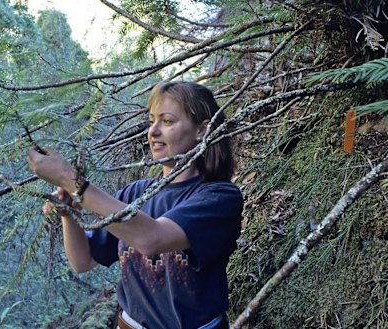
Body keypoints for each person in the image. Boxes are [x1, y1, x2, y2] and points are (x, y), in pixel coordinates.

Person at [27, 80, 243, 329]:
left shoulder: (219, 198)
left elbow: (151, 239)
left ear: (202, 130)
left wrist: (71, 180)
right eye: (151, 121)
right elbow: (83, 261)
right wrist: (68, 213)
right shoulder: (136, 193)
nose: (153, 132)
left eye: (168, 121)